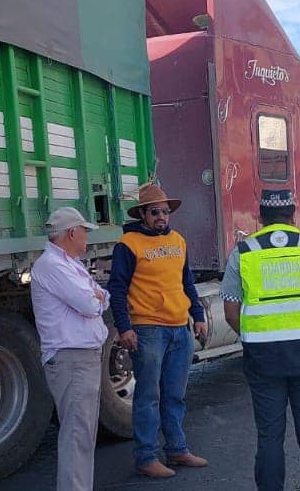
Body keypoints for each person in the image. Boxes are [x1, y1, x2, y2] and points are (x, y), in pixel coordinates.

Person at [221, 189, 300, 491]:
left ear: (260, 216)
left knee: (270, 436)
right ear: (294, 213)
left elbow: (231, 310)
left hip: (263, 356)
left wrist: (253, 335)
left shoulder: (244, 252)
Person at [107, 184, 209, 478]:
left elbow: (186, 282)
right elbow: (117, 289)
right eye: (155, 212)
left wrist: (198, 315)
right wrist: (124, 327)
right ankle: (146, 456)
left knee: (175, 394)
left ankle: (177, 449)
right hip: (148, 328)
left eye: (166, 211)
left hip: (180, 328)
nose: (162, 216)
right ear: (143, 214)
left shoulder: (178, 240)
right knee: (148, 396)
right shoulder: (128, 244)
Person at [30, 207, 107, 491]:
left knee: (82, 435)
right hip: (73, 360)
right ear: (72, 232)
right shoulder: (53, 266)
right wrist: (96, 299)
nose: (87, 236)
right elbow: (90, 303)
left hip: (79, 360)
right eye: (85, 230)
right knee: (78, 436)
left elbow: (102, 297)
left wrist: (97, 298)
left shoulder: (67, 263)